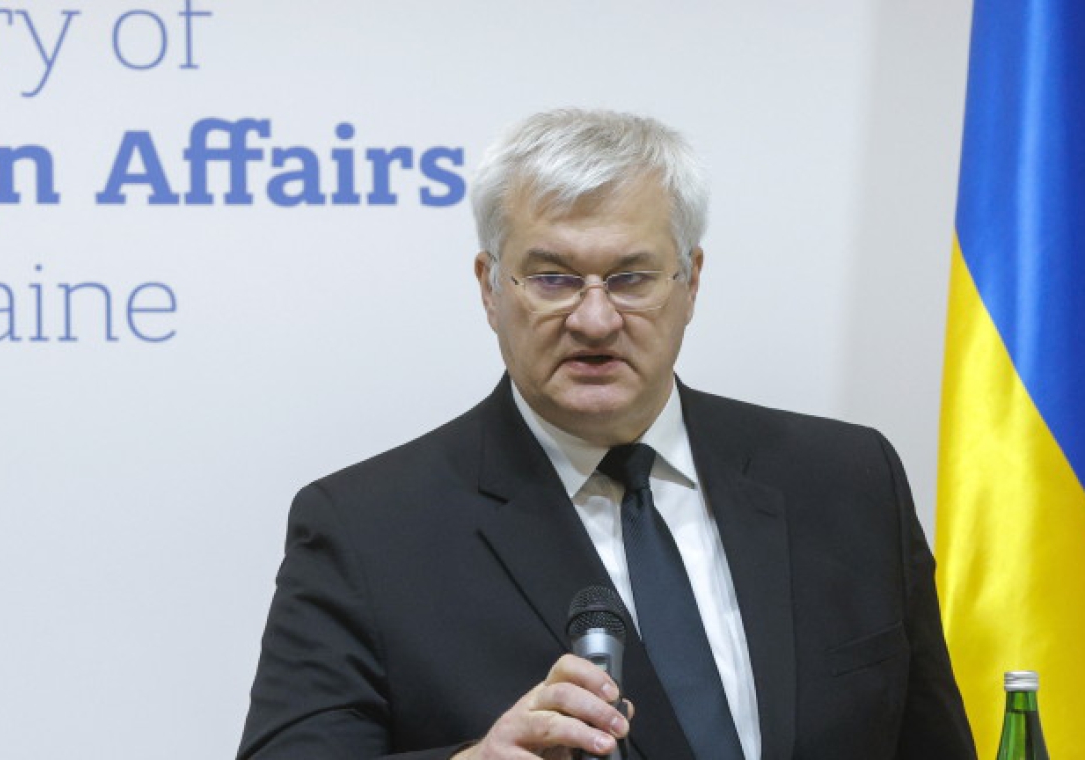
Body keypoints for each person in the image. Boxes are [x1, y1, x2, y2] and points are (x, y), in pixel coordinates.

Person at [237, 109, 976, 759]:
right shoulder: (368, 529)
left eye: (631, 278)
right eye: (552, 279)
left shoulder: (847, 481)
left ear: (691, 282)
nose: (594, 320)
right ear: (489, 288)